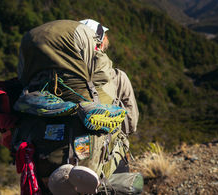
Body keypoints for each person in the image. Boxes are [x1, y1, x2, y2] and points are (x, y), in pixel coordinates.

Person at [14, 19, 142, 194]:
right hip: (106, 160)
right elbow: (130, 124)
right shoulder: (116, 77)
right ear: (97, 45)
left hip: (46, 162)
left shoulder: (41, 83)